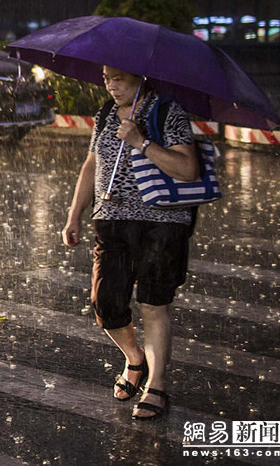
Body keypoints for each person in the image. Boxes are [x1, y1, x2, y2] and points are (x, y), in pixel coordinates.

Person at [62, 66, 200, 421]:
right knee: (105, 302)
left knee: (154, 304)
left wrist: (141, 141)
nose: (111, 84)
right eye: (107, 77)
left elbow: (187, 170)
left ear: (141, 77)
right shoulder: (106, 113)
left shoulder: (168, 112)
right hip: (111, 220)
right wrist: (74, 214)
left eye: (119, 77)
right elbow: (92, 164)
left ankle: (157, 384)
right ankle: (135, 357)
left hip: (162, 223)